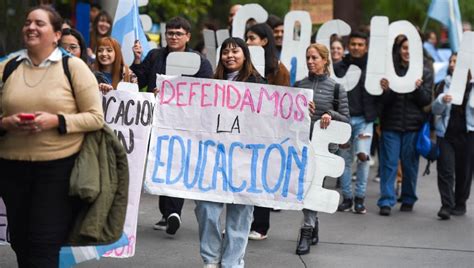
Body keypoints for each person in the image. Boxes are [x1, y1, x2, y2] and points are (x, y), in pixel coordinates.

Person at [0, 5, 104, 267]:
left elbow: (95, 117)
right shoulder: (8, 67)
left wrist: (56, 121)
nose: (31, 27)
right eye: (27, 23)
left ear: (57, 34)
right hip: (12, 170)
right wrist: (6, 123)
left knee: (43, 244)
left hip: (57, 171)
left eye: (39, 23)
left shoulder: (74, 68)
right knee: (20, 242)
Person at [131, 16, 213, 235]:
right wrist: (137, 61)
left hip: (184, 123)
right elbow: (139, 82)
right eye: (170, 33)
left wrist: (174, 94)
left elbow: (206, 91)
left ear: (187, 36)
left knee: (176, 163)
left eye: (178, 33)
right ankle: (167, 213)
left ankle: (173, 212)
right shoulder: (155, 56)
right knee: (160, 162)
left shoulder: (199, 62)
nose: (173, 37)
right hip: (156, 120)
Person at [195, 37, 265, 268]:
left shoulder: (259, 84)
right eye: (225, 52)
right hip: (214, 160)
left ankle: (233, 263)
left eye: (235, 51)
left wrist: (304, 107)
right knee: (206, 209)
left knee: (240, 214)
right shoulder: (210, 84)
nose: (230, 56)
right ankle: (211, 259)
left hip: (245, 161)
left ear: (245, 55)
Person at [293, 43, 349, 255]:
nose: (310, 61)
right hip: (301, 144)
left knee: (313, 186)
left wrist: (330, 115)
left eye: (315, 58)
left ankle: (306, 231)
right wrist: (299, 108)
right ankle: (313, 223)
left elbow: (347, 120)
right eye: (308, 57)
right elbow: (287, 114)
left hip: (324, 149)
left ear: (325, 60)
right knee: (305, 187)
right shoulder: (299, 84)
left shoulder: (336, 88)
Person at [377, 35, 433, 216]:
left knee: (410, 165)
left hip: (413, 126)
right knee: (389, 164)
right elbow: (382, 101)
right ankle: (386, 200)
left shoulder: (425, 71)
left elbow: (426, 101)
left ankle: (408, 198)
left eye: (410, 48)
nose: (407, 51)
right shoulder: (389, 70)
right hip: (390, 125)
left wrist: (418, 88)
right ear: (399, 50)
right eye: (404, 48)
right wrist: (389, 89)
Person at [245, 22, 290, 241]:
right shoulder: (242, 66)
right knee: (242, 177)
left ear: (264, 41)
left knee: (260, 178)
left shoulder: (278, 70)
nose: (247, 43)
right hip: (242, 131)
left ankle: (260, 225)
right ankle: (240, 223)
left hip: (266, 133)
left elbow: (284, 103)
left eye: (251, 38)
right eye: (246, 38)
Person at [333, 31, 378, 214]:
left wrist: (376, 113)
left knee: (363, 158)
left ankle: (360, 198)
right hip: (344, 120)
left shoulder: (374, 68)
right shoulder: (338, 67)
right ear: (348, 46)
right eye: (353, 44)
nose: (356, 47)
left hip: (365, 120)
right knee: (344, 160)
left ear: (365, 47)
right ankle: (347, 198)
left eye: (360, 44)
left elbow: (382, 95)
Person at [432, 53, 473, 219]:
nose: (452, 64)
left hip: (468, 134)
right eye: (451, 61)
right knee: (445, 169)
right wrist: (442, 100)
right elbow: (435, 110)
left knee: (464, 171)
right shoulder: (444, 84)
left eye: (456, 61)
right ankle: (446, 205)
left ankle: (460, 202)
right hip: (446, 134)